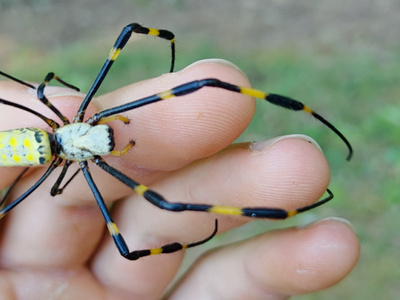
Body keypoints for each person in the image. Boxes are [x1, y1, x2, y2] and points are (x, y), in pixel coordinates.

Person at [0, 58, 359, 299]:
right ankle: (280, 212)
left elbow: (46, 91)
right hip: (49, 148)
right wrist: (48, 89)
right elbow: (46, 92)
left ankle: (300, 126)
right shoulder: (67, 159)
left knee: (203, 85)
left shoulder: (65, 166)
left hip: (57, 146)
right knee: (150, 221)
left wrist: (48, 89)